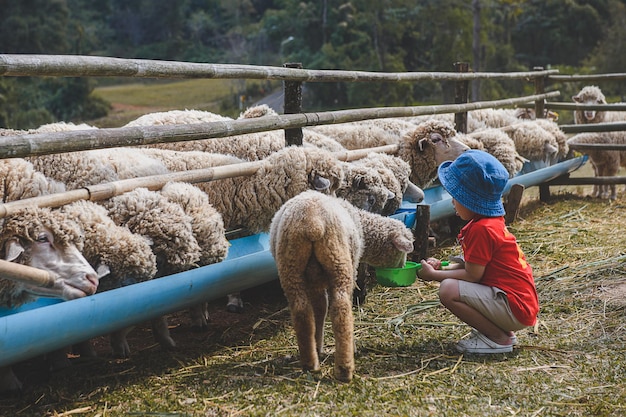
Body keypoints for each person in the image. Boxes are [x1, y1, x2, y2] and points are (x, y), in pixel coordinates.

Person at [417, 150, 538, 354]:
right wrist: (443, 266)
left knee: (448, 290)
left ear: (470, 199)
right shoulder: (489, 223)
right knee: (452, 284)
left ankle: (498, 339)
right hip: (519, 304)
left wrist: (435, 276)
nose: (452, 202)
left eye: (456, 196)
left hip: (514, 307)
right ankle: (502, 333)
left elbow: (473, 275)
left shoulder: (481, 230)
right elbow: (474, 265)